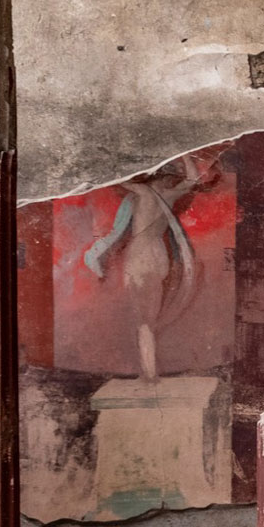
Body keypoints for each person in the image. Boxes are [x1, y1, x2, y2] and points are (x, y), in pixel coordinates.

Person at [83, 154, 211, 382]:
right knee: (149, 319)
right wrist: (186, 155)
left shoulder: (142, 194)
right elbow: (193, 179)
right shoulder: (169, 196)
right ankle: (150, 371)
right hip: (159, 255)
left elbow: (117, 180)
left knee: (143, 320)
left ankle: (149, 375)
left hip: (140, 256)